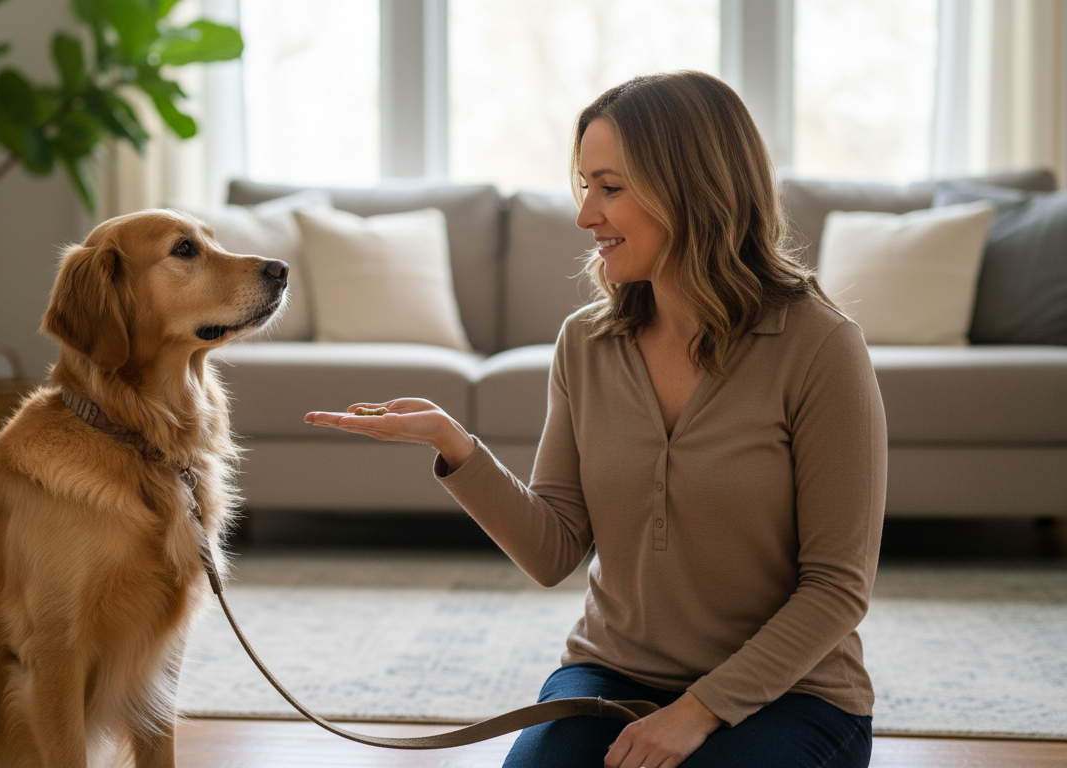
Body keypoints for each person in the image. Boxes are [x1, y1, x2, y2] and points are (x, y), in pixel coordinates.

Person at [304, 70, 884, 768]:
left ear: (693, 189)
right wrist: (453, 446)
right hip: (615, 672)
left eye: (611, 188)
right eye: (586, 187)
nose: (586, 217)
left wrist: (694, 715)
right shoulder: (586, 343)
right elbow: (554, 550)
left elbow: (836, 590)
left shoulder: (820, 346)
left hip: (796, 693)